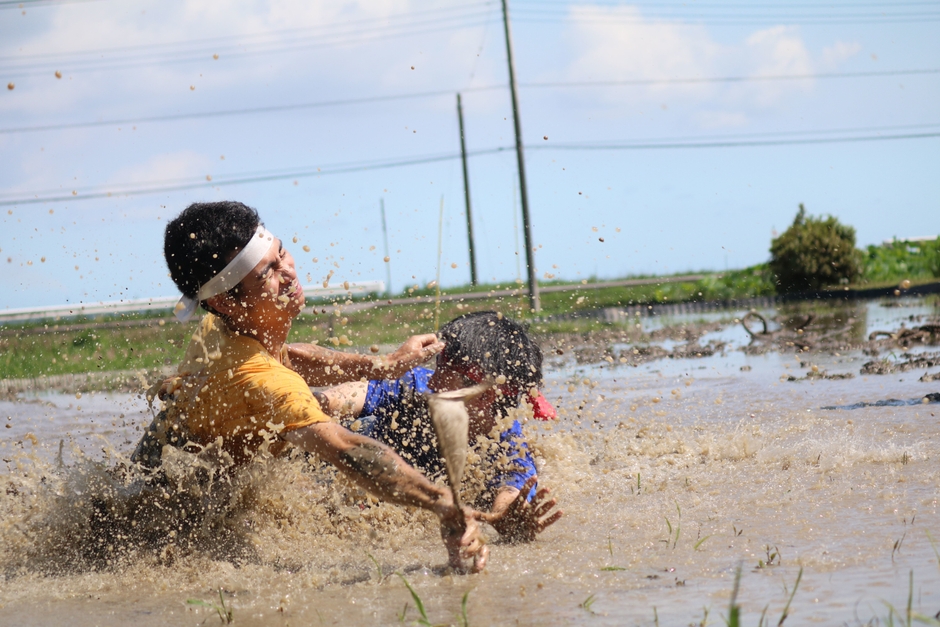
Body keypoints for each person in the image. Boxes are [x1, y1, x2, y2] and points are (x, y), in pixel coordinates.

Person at [142, 200, 487, 572]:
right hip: (173, 515)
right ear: (225, 301)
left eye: (282, 254)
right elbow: (347, 449)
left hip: (173, 464)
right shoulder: (256, 378)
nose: (288, 272)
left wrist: (384, 366)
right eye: (268, 273)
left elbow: (288, 356)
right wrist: (442, 502)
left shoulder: (224, 326)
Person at [315, 311, 563, 543]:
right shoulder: (412, 386)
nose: (432, 380)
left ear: (484, 395)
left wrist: (507, 521)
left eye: (444, 370)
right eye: (438, 364)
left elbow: (509, 498)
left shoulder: (509, 450)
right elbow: (339, 398)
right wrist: (316, 403)